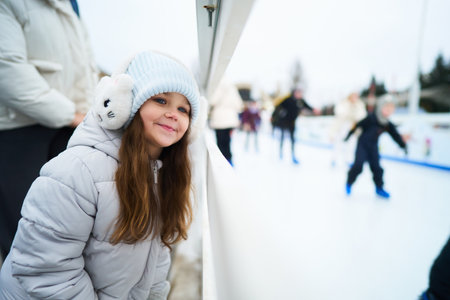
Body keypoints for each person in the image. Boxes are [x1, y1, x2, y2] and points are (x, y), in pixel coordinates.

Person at [0, 50, 204, 300]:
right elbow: (45, 270)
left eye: (184, 109)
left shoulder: (162, 177)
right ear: (124, 103)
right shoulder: (76, 171)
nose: (174, 114)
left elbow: (155, 268)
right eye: (161, 100)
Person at [0, 0, 98, 258]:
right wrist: (71, 114)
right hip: (19, 134)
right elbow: (6, 67)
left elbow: (85, 66)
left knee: (67, 234)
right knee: (26, 244)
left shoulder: (72, 5)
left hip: (70, 131)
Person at [344, 95, 407, 199]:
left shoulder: (387, 124)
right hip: (362, 145)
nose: (388, 111)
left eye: (391, 109)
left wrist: (403, 145)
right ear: (381, 107)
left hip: (373, 147)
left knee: (377, 168)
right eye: (386, 108)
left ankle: (379, 188)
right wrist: (348, 136)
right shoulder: (371, 118)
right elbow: (358, 125)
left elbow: (395, 135)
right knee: (358, 166)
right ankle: (349, 183)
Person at [272, 88, 318, 164]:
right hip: (284, 121)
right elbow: (278, 107)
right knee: (282, 138)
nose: (300, 94)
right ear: (294, 93)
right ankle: (281, 153)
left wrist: (314, 110)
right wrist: (276, 116)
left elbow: (307, 106)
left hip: (292, 122)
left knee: (292, 139)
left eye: (300, 93)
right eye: (298, 93)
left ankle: (293, 155)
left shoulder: (300, 101)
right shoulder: (288, 99)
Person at [208, 77, 243, 166]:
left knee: (220, 142)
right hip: (230, 120)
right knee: (227, 142)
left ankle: (221, 163)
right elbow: (239, 105)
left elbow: (212, 101)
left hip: (219, 120)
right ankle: (229, 162)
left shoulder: (217, 87)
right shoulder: (232, 88)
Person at [329, 92, 367, 167]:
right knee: (338, 143)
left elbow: (362, 116)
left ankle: (349, 160)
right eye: (353, 96)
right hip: (342, 127)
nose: (354, 98)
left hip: (353, 127)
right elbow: (340, 113)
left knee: (351, 145)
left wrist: (355, 115)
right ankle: (334, 160)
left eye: (356, 96)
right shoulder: (343, 103)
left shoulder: (359, 105)